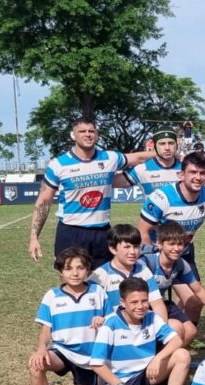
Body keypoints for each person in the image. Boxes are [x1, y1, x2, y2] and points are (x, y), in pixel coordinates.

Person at [28, 118, 153, 266]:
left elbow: (138, 157)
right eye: (82, 131)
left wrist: (166, 153)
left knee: (104, 277)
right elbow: (43, 202)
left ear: (97, 135)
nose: (87, 134)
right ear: (73, 135)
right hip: (71, 231)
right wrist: (34, 237)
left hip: (102, 232)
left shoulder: (110, 158)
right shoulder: (58, 164)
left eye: (91, 131)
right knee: (71, 277)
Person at [91, 277, 192, 385]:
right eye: (134, 302)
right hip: (123, 381)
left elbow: (177, 340)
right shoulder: (110, 324)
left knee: (182, 355)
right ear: (122, 302)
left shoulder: (152, 317)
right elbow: (97, 364)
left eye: (144, 301)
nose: (140, 306)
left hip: (147, 373)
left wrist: (158, 358)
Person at [28, 248, 106, 385]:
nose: (75, 273)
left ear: (88, 270)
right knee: (36, 365)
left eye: (80, 268)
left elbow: (112, 319)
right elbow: (46, 329)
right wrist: (41, 349)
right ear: (60, 272)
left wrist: (103, 320)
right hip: (62, 352)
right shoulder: (52, 296)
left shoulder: (97, 291)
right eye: (68, 268)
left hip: (89, 358)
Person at [138, 149, 205, 282]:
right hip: (158, 253)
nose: (198, 177)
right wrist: (151, 260)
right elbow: (142, 230)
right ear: (181, 175)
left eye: (202, 173)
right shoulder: (162, 198)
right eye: (193, 172)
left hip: (184, 250)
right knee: (155, 293)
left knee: (195, 295)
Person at [142, 220, 205, 347]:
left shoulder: (181, 264)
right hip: (143, 307)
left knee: (191, 332)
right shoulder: (147, 263)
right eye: (171, 244)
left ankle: (170, 356)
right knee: (176, 328)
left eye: (180, 244)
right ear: (159, 243)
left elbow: (198, 290)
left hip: (162, 304)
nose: (176, 248)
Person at [88, 225, 167, 320]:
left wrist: (162, 327)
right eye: (127, 247)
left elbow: (157, 304)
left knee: (175, 325)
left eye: (136, 247)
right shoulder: (99, 276)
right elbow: (92, 311)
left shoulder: (143, 270)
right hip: (112, 326)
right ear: (113, 249)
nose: (132, 252)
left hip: (141, 325)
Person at [123, 127, 182, 196]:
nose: (167, 148)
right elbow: (112, 182)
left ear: (176, 145)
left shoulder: (186, 167)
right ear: (154, 146)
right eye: (162, 143)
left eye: (171, 143)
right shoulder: (142, 168)